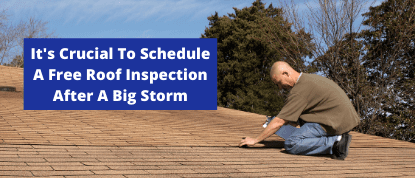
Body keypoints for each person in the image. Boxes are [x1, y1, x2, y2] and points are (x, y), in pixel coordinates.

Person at [239, 61, 360, 160]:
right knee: (291, 129)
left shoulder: (299, 91)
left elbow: (280, 121)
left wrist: (255, 140)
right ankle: (335, 139)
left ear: (286, 73)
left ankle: (336, 143)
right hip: (341, 118)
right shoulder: (307, 79)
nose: (280, 87)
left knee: (292, 144)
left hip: (334, 123)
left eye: (279, 83)